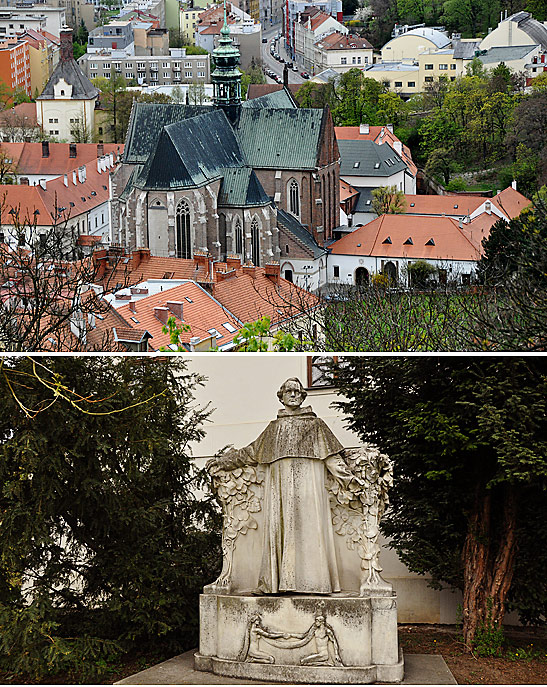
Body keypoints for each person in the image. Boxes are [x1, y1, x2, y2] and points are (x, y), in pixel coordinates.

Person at [207, 377, 352, 594]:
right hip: (280, 487)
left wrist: (349, 478)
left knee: (310, 528)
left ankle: (314, 582)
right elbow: (250, 453)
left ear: (303, 396)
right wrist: (223, 461)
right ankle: (278, 583)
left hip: (308, 484)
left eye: (297, 391)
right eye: (288, 391)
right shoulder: (274, 428)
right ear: (281, 396)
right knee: (282, 529)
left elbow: (331, 457)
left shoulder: (316, 425)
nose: (293, 395)